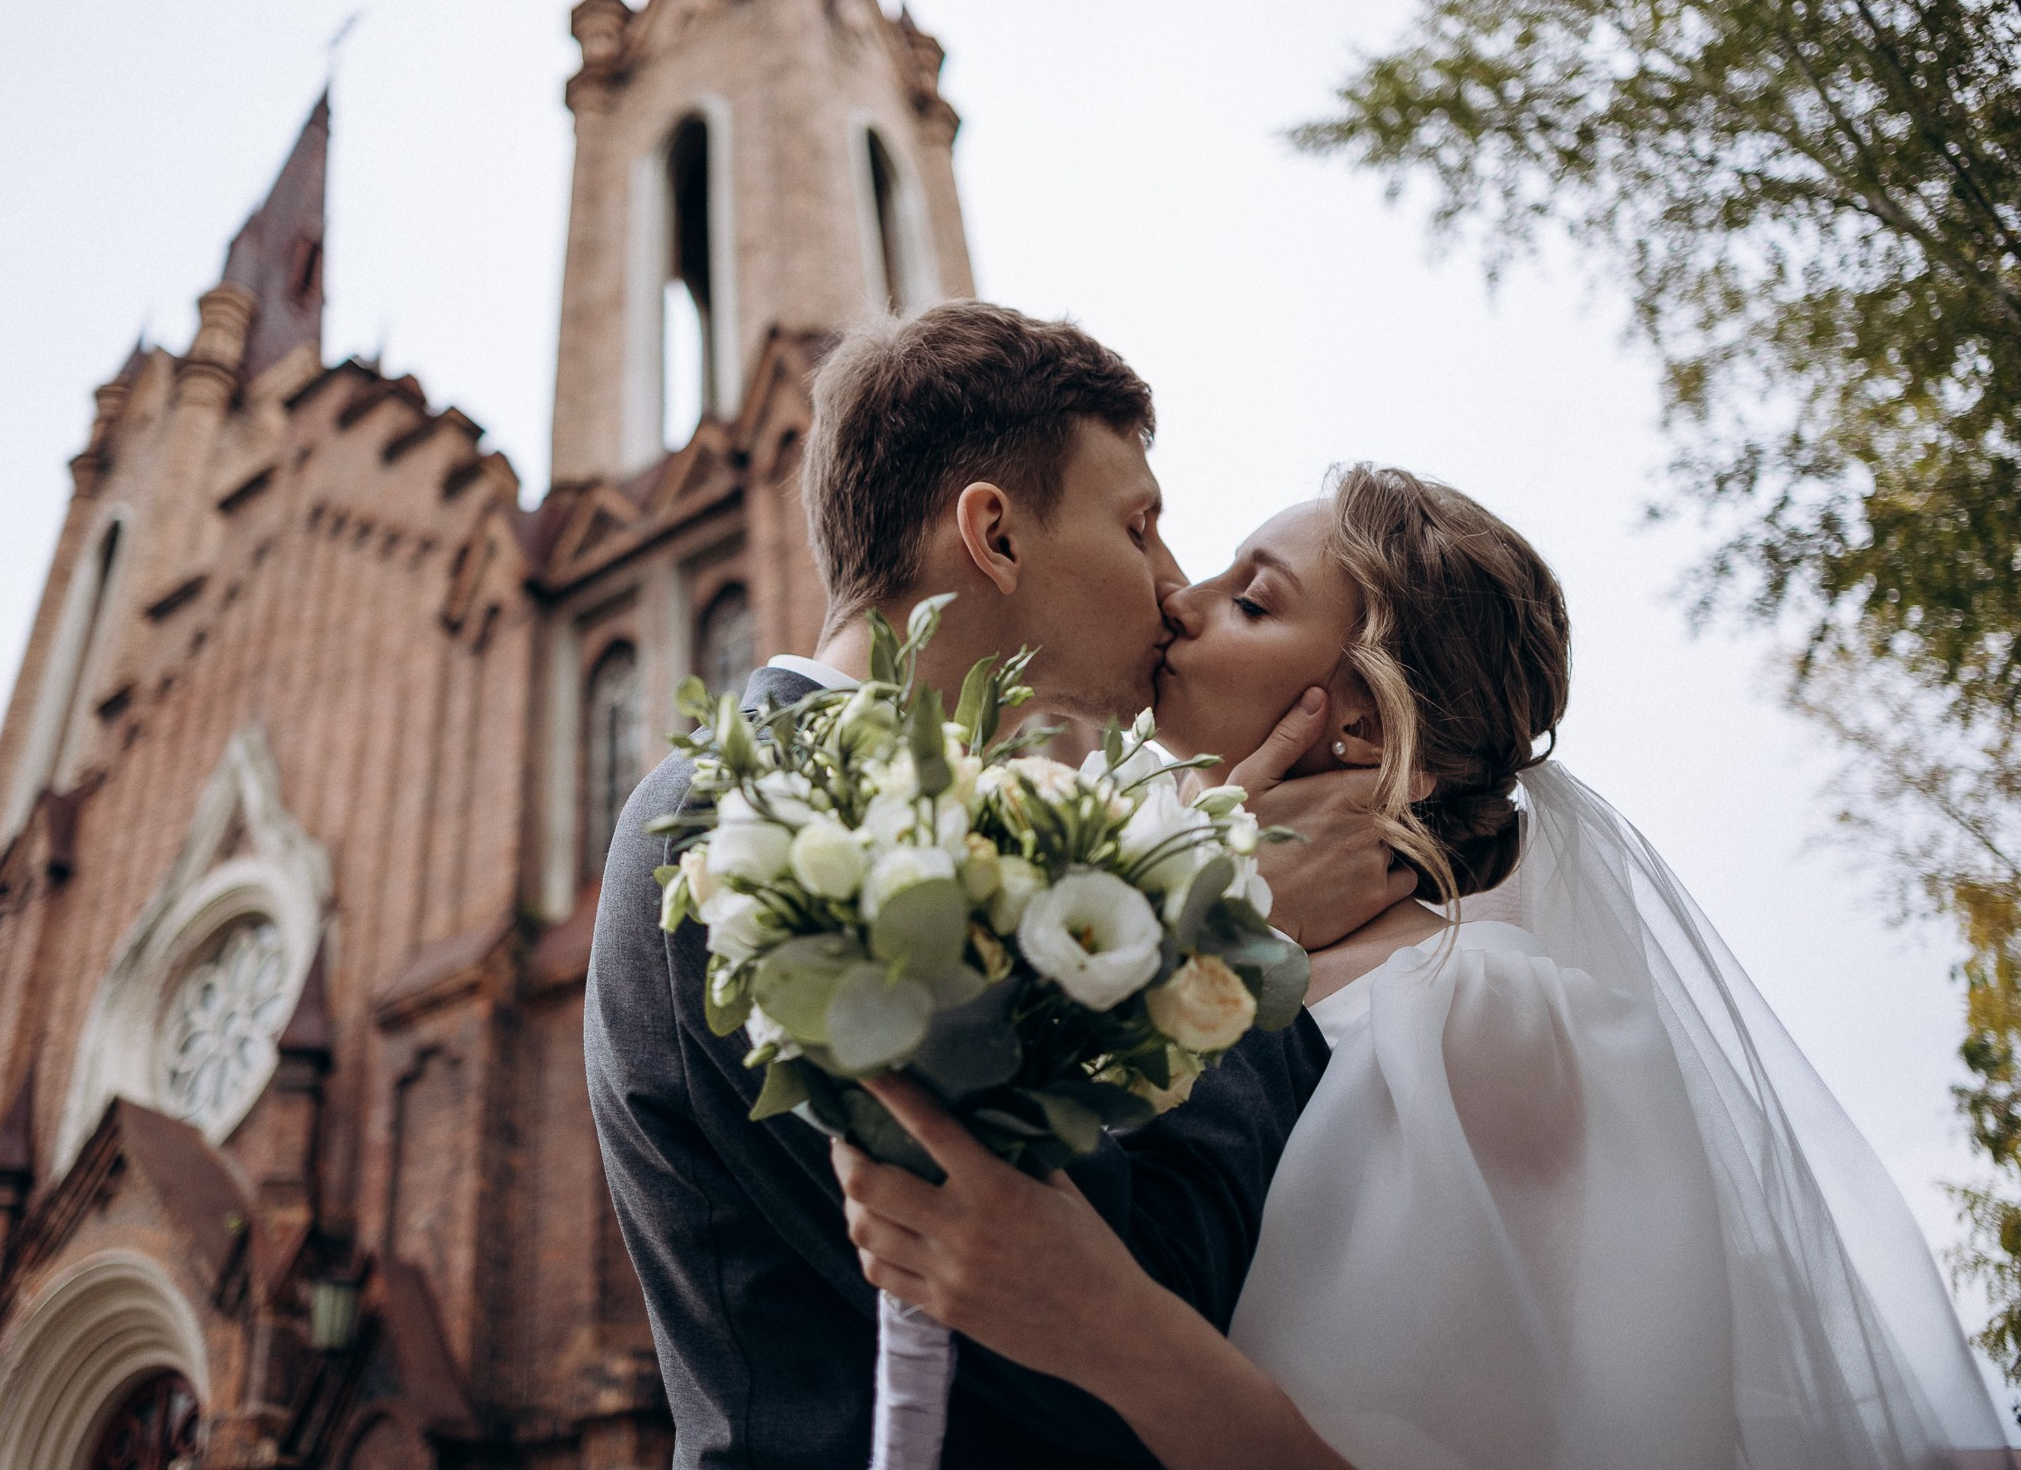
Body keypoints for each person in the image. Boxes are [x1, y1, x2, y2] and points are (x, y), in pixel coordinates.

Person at [835, 465, 2007, 1469]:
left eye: (1251, 600)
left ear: (1366, 722)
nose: (1177, 600)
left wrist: (1104, 1322)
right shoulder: (1147, 966)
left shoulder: (1486, 1018)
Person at [584, 303, 1410, 1468]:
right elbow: (1112, 1316)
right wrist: (1240, 934)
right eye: (1139, 526)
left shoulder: (984, 826)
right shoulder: (747, 821)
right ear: (996, 534)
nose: (1175, 586)